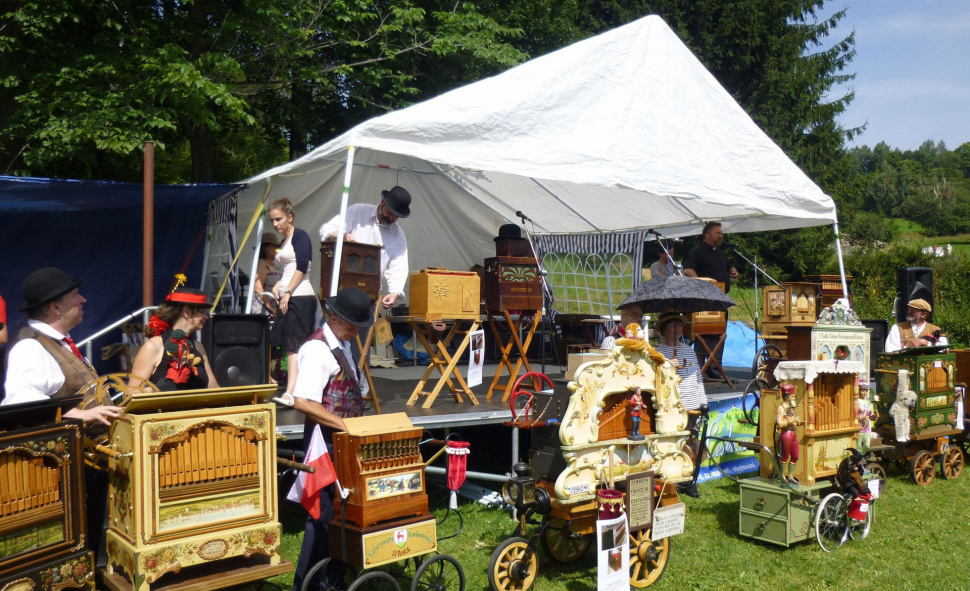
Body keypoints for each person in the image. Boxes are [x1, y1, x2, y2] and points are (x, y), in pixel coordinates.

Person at [2, 267, 122, 558]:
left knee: (94, 540)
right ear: (55, 306)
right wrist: (78, 416)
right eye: (75, 295)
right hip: (70, 470)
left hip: (90, 462)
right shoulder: (30, 346)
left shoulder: (58, 344)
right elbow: (20, 405)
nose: (83, 300)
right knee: (82, 545)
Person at [289, 287, 374, 591]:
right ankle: (308, 584)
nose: (355, 332)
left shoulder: (341, 343)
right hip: (323, 443)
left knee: (342, 512)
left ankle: (332, 578)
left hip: (341, 441)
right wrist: (344, 425)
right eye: (351, 326)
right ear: (334, 319)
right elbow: (303, 401)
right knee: (322, 515)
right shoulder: (317, 349)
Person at [319, 186, 411, 310]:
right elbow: (326, 230)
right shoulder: (357, 212)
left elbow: (398, 269)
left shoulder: (398, 236)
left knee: (363, 329)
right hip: (341, 290)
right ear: (382, 202)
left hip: (369, 297)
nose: (392, 218)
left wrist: (394, 292)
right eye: (390, 213)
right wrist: (342, 236)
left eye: (396, 216)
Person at [268, 198, 320, 406]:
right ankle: (291, 388)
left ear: (290, 217)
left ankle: (291, 392)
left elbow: (303, 266)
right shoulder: (284, 241)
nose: (275, 224)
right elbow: (288, 269)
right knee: (284, 343)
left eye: (279, 219)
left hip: (300, 297)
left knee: (293, 345)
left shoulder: (300, 236)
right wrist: (278, 285)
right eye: (272, 220)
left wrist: (288, 290)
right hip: (287, 297)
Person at [652, 309, 707, 498]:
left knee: (693, 443)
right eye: (673, 325)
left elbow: (698, 378)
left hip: (693, 406)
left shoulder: (689, 351)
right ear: (664, 329)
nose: (677, 329)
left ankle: (690, 481)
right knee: (674, 445)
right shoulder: (657, 353)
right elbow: (655, 379)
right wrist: (668, 365)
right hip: (673, 407)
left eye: (679, 325)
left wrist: (703, 403)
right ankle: (673, 479)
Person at [129, 288, 219, 392]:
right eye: (202, 312)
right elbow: (132, 393)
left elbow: (213, 387)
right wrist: (160, 388)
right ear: (186, 312)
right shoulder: (154, 346)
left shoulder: (198, 347)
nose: (206, 317)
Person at [682, 221, 738, 380]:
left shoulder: (721, 253)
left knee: (720, 334)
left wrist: (732, 270)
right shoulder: (696, 252)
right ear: (707, 235)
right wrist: (703, 281)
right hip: (704, 301)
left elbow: (728, 267)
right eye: (717, 233)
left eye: (721, 233)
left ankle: (715, 368)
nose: (721, 236)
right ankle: (700, 369)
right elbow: (688, 270)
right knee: (703, 333)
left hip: (720, 301)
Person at [253, 232, 282, 316]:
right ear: (265, 248)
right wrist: (269, 307)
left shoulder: (273, 265)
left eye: (278, 247)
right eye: (274, 246)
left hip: (274, 305)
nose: (277, 249)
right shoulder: (262, 264)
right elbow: (258, 288)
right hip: (264, 307)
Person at [776, 383, 800, 485]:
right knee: (785, 455)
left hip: (793, 433)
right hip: (786, 434)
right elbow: (779, 423)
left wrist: (798, 421)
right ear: (787, 397)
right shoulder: (781, 408)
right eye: (792, 396)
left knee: (795, 456)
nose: (794, 398)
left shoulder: (792, 407)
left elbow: (794, 419)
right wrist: (791, 421)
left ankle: (790, 476)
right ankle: (782, 476)